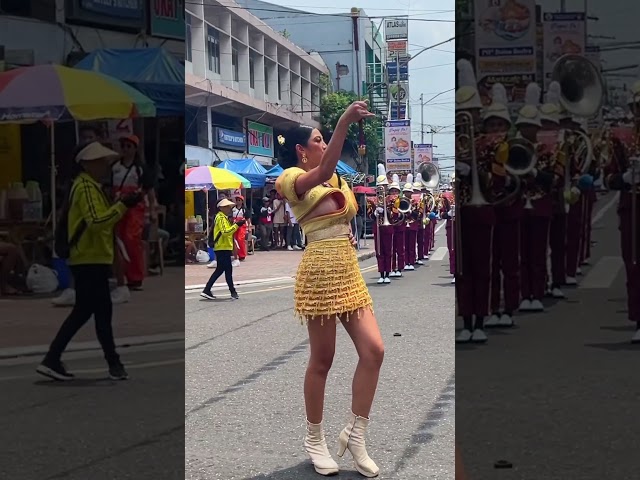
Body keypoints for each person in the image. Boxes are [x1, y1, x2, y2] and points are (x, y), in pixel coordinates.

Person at [275, 101, 383, 477]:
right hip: (318, 271)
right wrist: (343, 123)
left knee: (374, 350)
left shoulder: (339, 179)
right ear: (302, 151)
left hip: (348, 269)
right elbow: (323, 169)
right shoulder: (289, 177)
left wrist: (347, 236)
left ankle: (356, 433)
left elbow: (339, 204)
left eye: (325, 139)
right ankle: (314, 438)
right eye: (318, 140)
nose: (323, 145)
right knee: (323, 360)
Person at [36, 141, 143, 381]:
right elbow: (97, 222)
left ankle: (63, 359)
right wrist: (121, 207)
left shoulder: (89, 186)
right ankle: (106, 362)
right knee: (93, 312)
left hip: (91, 257)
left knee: (92, 312)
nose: (105, 166)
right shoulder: (85, 188)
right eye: (100, 162)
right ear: (86, 164)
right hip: (89, 258)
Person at [603, 85, 640, 343]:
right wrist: (625, 178)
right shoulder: (621, 138)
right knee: (634, 265)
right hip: (633, 209)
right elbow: (608, 178)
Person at [111, 134, 156, 300]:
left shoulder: (141, 169)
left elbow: (149, 191)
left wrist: (151, 211)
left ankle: (135, 278)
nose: (125, 149)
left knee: (131, 241)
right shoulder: (114, 167)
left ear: (135, 149)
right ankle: (120, 276)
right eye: (123, 146)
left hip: (135, 209)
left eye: (128, 146)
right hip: (116, 207)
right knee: (117, 241)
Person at [200, 198, 245, 300]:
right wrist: (236, 225)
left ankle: (209, 290)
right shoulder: (220, 218)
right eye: (226, 207)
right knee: (226, 270)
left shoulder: (223, 217)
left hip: (223, 247)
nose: (229, 208)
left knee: (222, 269)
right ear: (221, 208)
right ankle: (231, 291)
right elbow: (226, 232)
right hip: (222, 247)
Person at [232, 195, 250, 261]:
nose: (238, 202)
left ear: (242, 201)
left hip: (242, 226)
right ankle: (235, 254)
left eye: (239, 200)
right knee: (234, 240)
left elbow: (248, 219)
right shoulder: (233, 209)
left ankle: (242, 255)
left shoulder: (244, 210)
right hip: (234, 226)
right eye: (237, 200)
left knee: (240, 240)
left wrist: (249, 227)